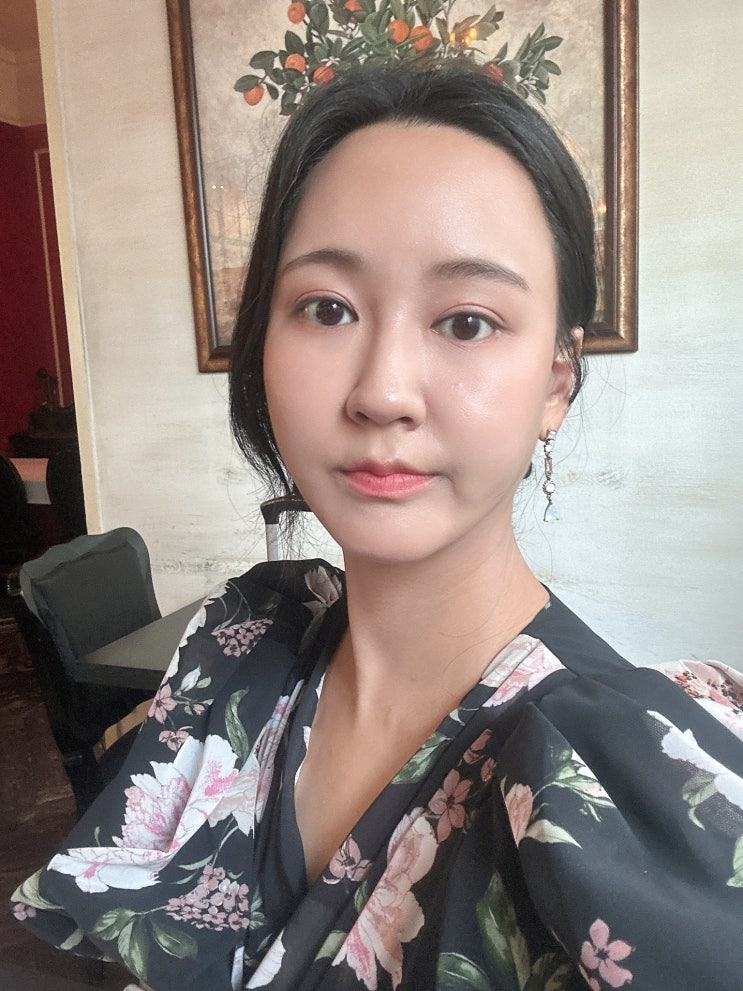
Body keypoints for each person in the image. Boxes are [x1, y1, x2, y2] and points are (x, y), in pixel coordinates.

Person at [12, 66, 743, 991]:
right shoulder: (239, 651)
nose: (382, 391)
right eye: (327, 309)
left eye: (467, 321)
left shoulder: (616, 779)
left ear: (556, 381)